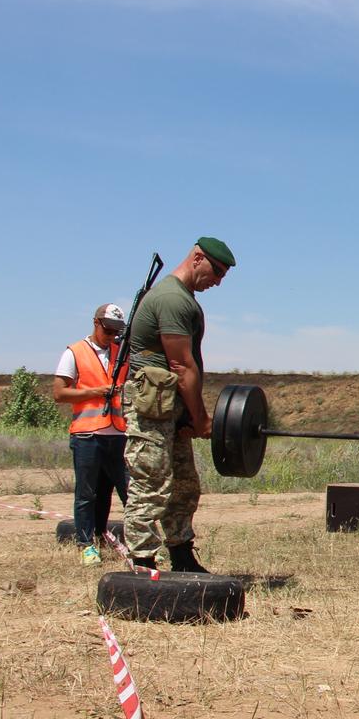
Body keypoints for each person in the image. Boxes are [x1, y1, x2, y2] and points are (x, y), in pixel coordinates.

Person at [121, 237, 235, 572]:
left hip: (170, 409)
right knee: (150, 485)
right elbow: (181, 366)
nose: (217, 281)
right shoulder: (172, 299)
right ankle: (142, 564)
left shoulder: (184, 299)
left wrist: (189, 415)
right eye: (217, 272)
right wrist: (201, 419)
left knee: (184, 486)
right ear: (197, 258)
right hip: (152, 410)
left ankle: (182, 557)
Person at [53, 304, 130, 565]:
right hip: (87, 435)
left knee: (127, 491)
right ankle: (86, 545)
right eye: (108, 330)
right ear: (96, 323)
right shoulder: (74, 352)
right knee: (87, 494)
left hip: (118, 434)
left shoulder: (122, 353)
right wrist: (95, 392)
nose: (112, 336)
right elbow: (59, 393)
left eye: (117, 332)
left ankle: (138, 544)